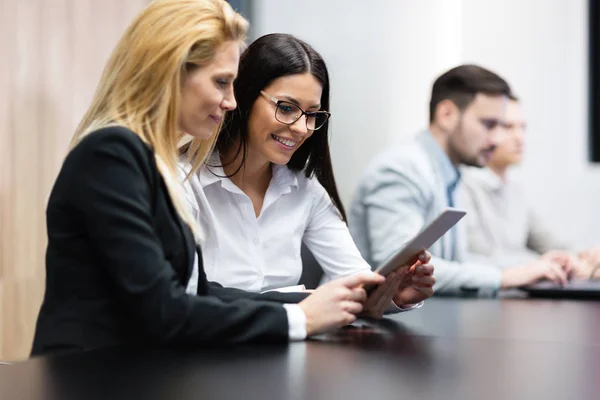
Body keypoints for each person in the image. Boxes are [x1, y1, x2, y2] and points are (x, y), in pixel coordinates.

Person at [30, 0, 387, 357]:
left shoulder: (148, 160)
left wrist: (312, 302)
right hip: (88, 379)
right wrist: (300, 318)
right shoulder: (110, 153)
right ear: (170, 71)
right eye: (221, 82)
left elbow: (198, 292)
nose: (232, 101)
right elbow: (163, 311)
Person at [179, 33, 435, 316]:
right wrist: (303, 304)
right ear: (243, 96)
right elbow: (186, 297)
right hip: (209, 349)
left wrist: (392, 295)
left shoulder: (305, 188)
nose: (302, 128)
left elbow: (355, 279)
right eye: (286, 108)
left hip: (288, 344)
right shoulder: (184, 180)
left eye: (312, 114)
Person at [349, 65, 571, 297]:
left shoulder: (450, 173)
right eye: (489, 125)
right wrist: (504, 277)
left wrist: (531, 266)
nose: (497, 139)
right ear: (446, 114)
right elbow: (402, 268)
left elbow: (455, 262)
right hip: (357, 324)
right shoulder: (403, 169)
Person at [458, 95, 600, 280]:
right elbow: (478, 257)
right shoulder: (462, 187)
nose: (519, 137)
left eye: (522, 127)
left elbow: (550, 244)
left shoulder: (515, 192)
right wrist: (552, 264)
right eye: (508, 127)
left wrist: (587, 256)